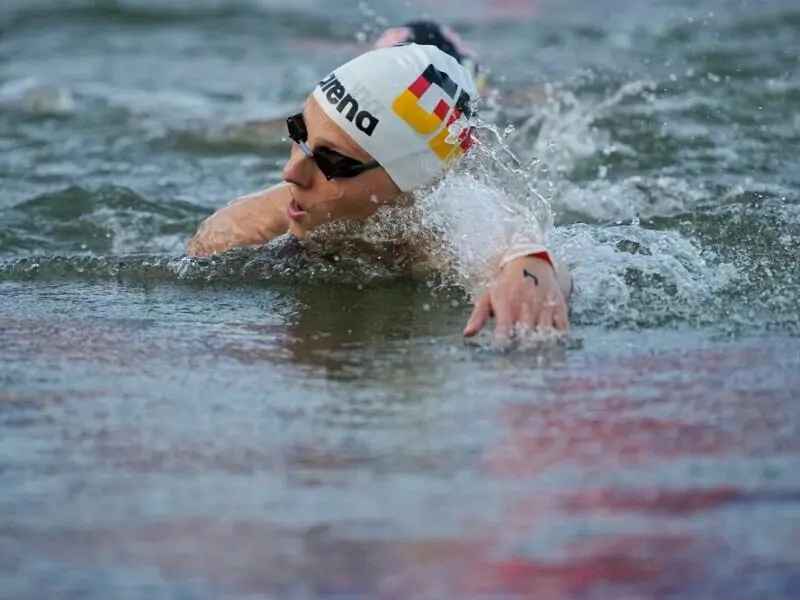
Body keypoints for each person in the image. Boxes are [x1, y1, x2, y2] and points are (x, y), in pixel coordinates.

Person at [187, 43, 571, 339]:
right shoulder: (252, 224)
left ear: (410, 187)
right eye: (297, 132)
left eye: (333, 162)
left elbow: (526, 253)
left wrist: (534, 272)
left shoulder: (443, 226)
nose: (292, 171)